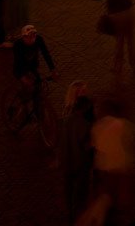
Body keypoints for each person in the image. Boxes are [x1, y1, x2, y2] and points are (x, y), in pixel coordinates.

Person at [90, 99, 135, 223]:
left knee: (106, 200)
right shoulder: (123, 124)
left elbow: (96, 147)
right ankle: (127, 220)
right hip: (121, 169)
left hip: (104, 169)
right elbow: (133, 143)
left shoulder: (98, 126)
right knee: (123, 199)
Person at [61, 81, 97, 223]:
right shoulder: (81, 116)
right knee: (79, 191)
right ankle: (77, 216)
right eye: (81, 91)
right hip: (79, 160)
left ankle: (71, 214)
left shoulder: (67, 114)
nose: (85, 93)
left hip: (68, 159)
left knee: (69, 190)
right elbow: (86, 141)